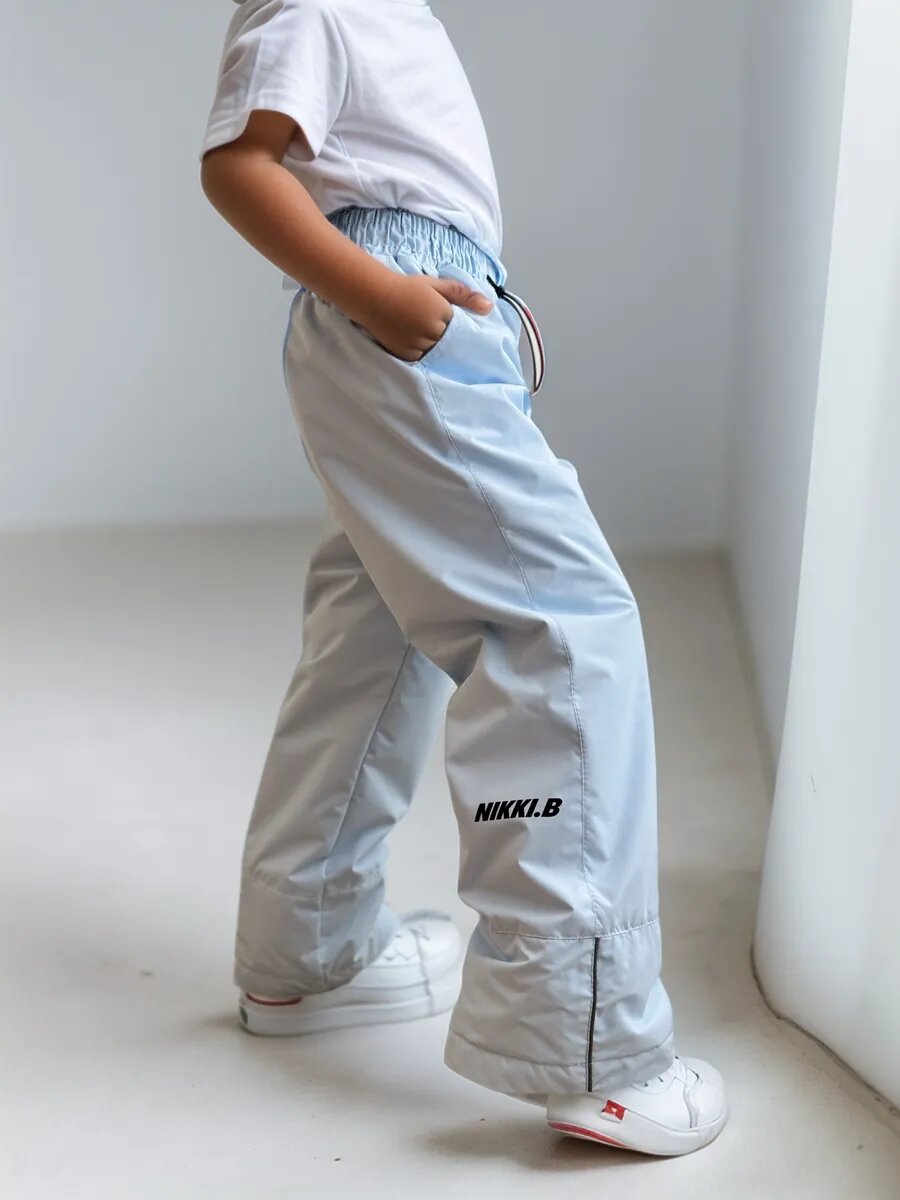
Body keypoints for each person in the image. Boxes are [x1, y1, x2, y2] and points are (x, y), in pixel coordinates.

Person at [200, 0, 727, 1157]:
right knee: (562, 628)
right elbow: (239, 166)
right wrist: (389, 300)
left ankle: (306, 953)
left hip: (398, 323)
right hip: (399, 312)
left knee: (375, 629)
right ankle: (591, 1046)